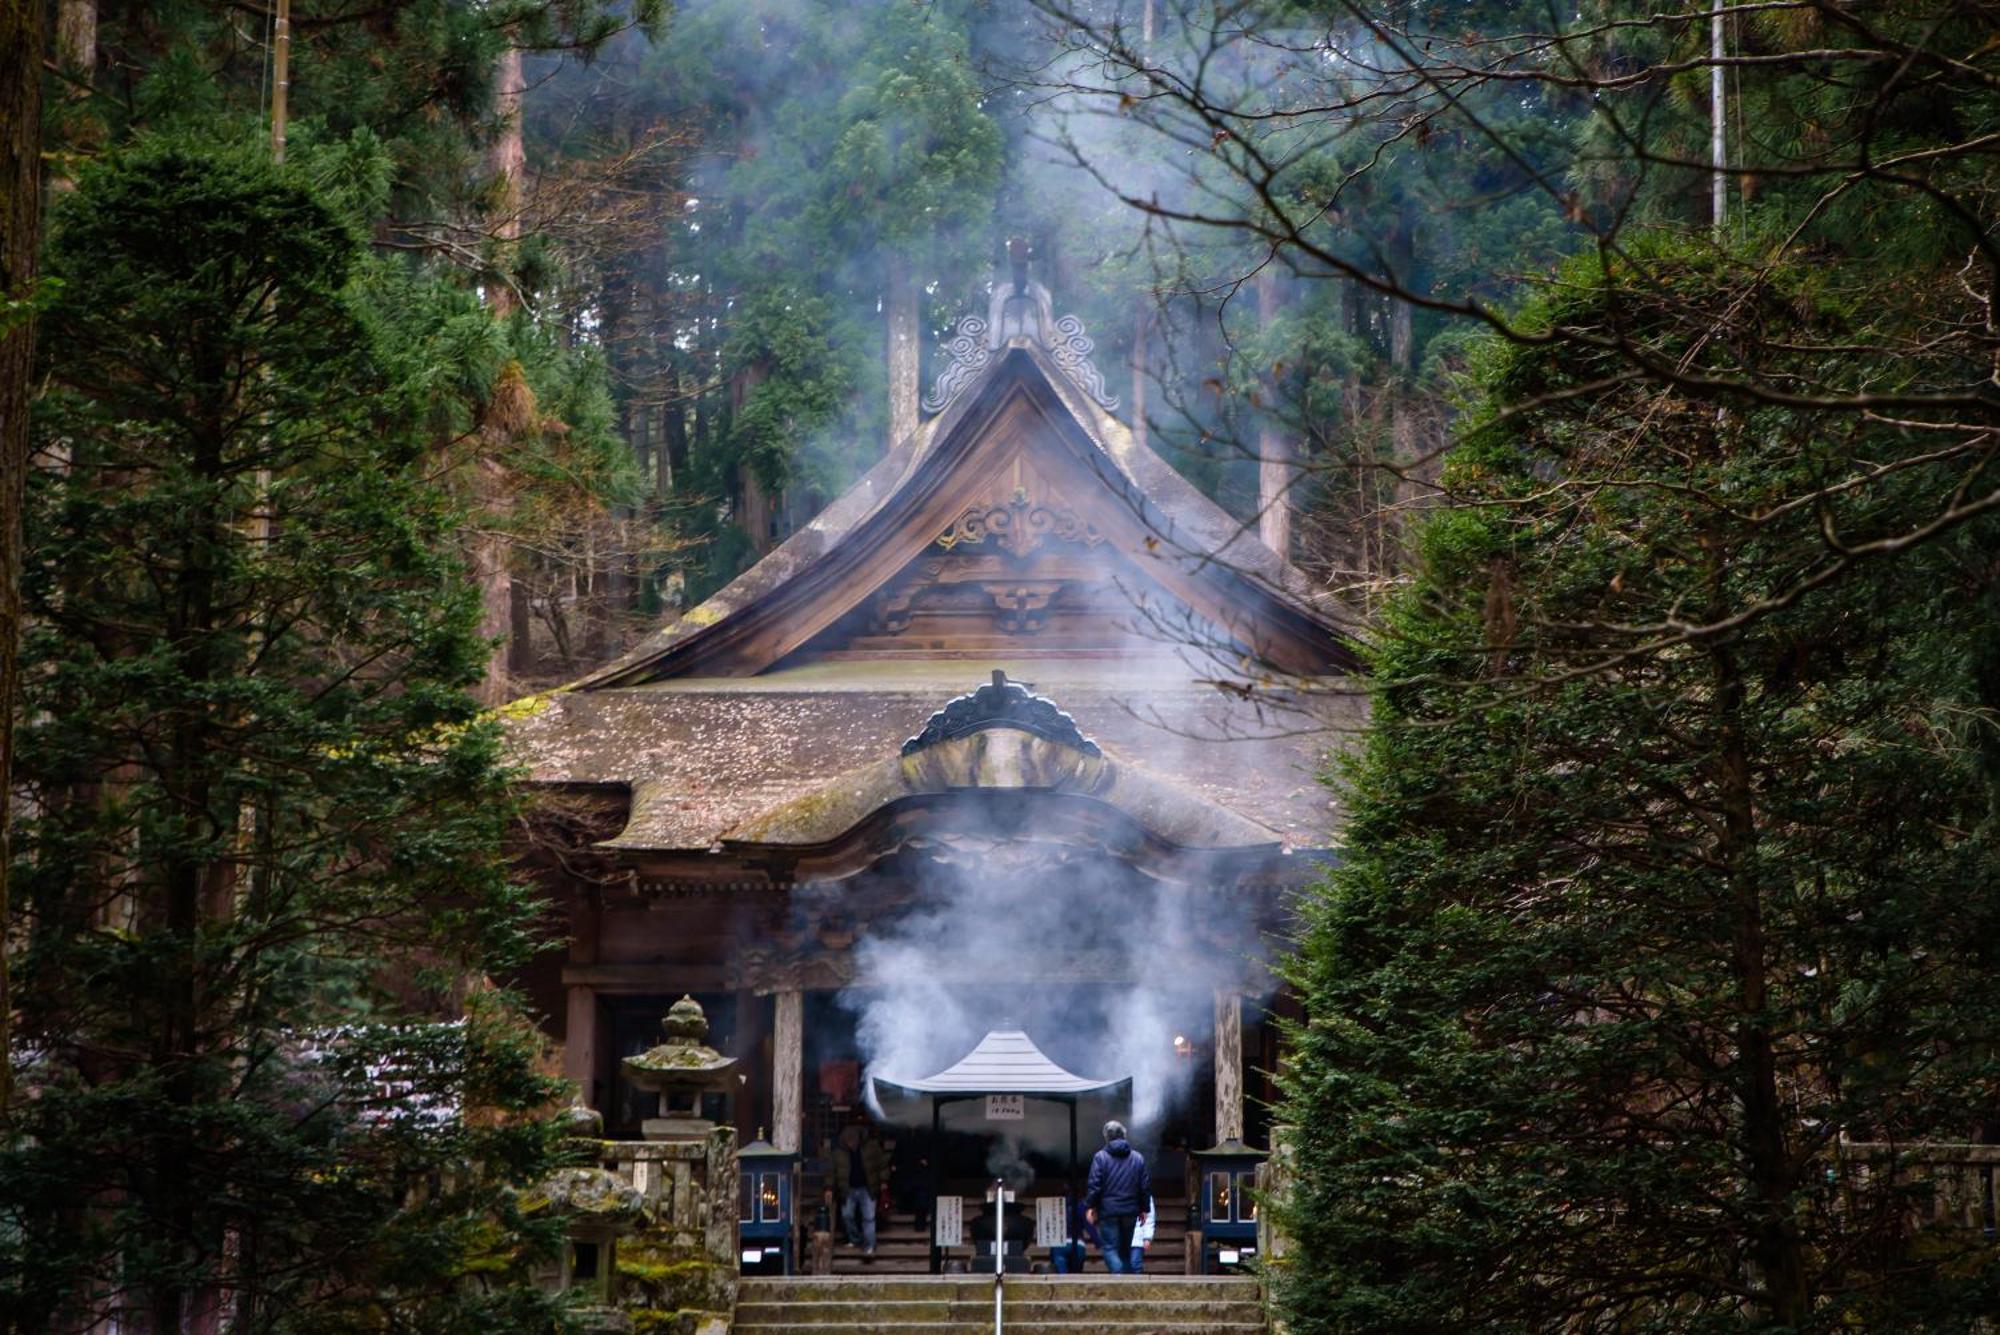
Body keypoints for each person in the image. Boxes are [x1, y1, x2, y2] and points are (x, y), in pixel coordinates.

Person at [1083, 1119, 1151, 1276]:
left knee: (1110, 1247)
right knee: (1125, 1250)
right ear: (1124, 1136)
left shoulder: (1100, 1157)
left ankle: (1118, 1273)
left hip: (1108, 1212)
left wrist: (1090, 1206)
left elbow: (1094, 1185)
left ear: (1106, 1137)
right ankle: (1125, 1283)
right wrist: (1144, 1209)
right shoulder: (1137, 1158)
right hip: (1131, 1211)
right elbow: (1144, 1187)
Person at [834, 1123, 887, 1258]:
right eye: (848, 1142)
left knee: (869, 1218)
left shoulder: (871, 1147)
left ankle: (869, 1246)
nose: (851, 1145)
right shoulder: (839, 1152)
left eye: (853, 1141)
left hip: (867, 1188)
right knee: (847, 1216)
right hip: (849, 1189)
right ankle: (855, 1239)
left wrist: (884, 1181)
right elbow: (832, 1171)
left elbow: (882, 1165)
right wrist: (829, 1187)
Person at [1129, 1193, 1156, 1272]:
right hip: (1121, 1236)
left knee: (1135, 1264)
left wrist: (1147, 1237)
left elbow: (1149, 1218)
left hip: (1137, 1237)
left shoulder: (1145, 1194)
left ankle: (1136, 1283)